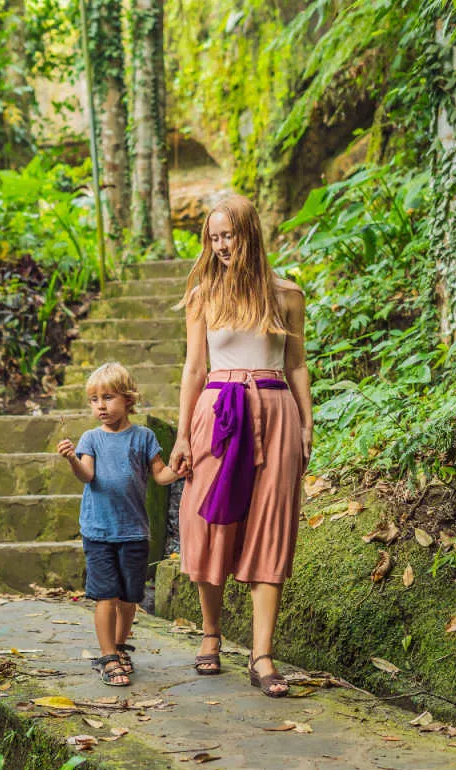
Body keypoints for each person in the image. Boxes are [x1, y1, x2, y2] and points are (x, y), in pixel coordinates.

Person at [168, 194, 312, 698]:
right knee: (207, 520)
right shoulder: (204, 296)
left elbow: (295, 364)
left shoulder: (286, 295)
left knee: (271, 525)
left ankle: (262, 655)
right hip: (218, 411)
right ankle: (210, 634)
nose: (222, 245)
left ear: (249, 233)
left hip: (276, 409)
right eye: (214, 237)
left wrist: (307, 424)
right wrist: (183, 434)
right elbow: (193, 369)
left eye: (229, 235)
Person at [57, 362, 181, 687]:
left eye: (108, 397)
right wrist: (72, 458)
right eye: (94, 399)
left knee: (130, 597)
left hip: (134, 531)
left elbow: (160, 475)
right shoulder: (91, 439)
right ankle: (107, 654)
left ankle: (121, 645)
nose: (100, 405)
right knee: (105, 596)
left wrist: (182, 468)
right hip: (99, 532)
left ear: (128, 399)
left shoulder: (144, 437)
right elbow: (88, 475)